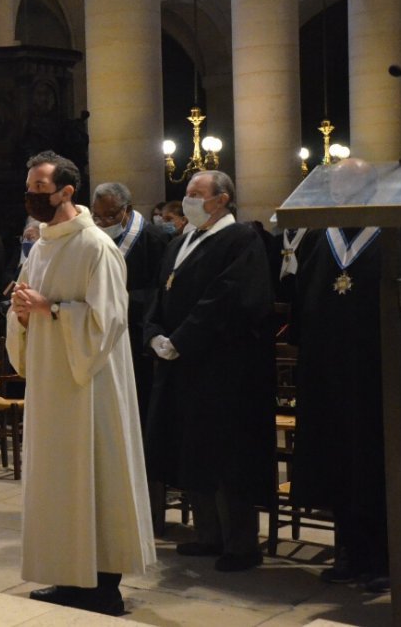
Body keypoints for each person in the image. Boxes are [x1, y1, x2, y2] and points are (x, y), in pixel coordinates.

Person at [288, 158, 401, 591]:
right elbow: (300, 304)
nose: (343, 195)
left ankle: (387, 557)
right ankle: (350, 551)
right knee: (340, 464)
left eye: (352, 185)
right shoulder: (317, 239)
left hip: (388, 379)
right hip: (331, 379)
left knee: (383, 465)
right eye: (338, 186)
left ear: (373, 187)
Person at [7, 151, 156, 615]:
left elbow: (109, 321)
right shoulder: (45, 245)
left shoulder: (96, 247)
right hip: (53, 383)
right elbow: (29, 307)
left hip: (90, 385)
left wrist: (49, 310)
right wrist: (22, 313)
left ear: (66, 191)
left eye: (38, 187)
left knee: (95, 477)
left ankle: (103, 587)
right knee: (58, 482)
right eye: (29, 186)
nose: (31, 195)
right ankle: (70, 577)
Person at [143, 170, 276, 573]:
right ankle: (207, 534)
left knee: (227, 454)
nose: (188, 201)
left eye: (196, 194)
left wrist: (182, 339)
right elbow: (160, 291)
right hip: (181, 364)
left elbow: (227, 297)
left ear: (222, 199)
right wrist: (153, 332)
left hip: (222, 366)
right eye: (187, 194)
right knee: (192, 448)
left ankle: (240, 542)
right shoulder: (181, 241)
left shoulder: (241, 240)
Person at [91, 182, 167, 423]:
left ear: (127, 209)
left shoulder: (154, 238)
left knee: (137, 396)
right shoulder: (93, 238)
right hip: (101, 329)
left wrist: (120, 299)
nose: (103, 222)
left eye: (111, 215)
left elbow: (160, 289)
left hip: (136, 329)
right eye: (97, 216)